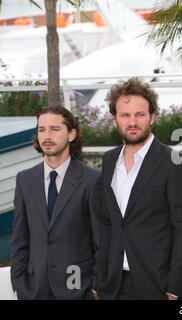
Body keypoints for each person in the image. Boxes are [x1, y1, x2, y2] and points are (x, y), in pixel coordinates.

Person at [96, 77, 182, 300]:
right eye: (125, 115)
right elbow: (107, 223)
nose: (132, 122)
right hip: (113, 285)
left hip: (157, 285)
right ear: (115, 119)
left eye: (140, 114)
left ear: (152, 117)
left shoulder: (175, 161)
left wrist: (176, 287)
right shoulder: (110, 160)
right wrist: (99, 280)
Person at [11, 106, 100, 300]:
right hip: (34, 290)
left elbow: (101, 241)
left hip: (78, 289)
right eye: (41, 129)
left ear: (71, 134)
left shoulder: (92, 180)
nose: (47, 136)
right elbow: (20, 237)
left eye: (55, 129)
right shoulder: (24, 179)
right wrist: (20, 284)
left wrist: (95, 288)